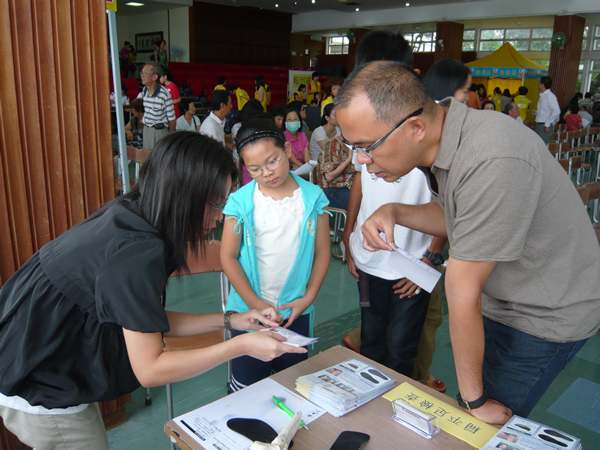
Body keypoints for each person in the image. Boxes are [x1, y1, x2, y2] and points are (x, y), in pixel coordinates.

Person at [0, 132, 306, 448]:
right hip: (36, 382)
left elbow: (146, 320)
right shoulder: (135, 252)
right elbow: (150, 369)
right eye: (217, 203)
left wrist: (231, 320)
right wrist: (241, 346)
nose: (219, 217)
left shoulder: (135, 213)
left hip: (50, 361)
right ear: (185, 195)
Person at [335, 60, 600, 424]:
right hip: (506, 297)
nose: (362, 161)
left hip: (543, 314)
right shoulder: (447, 138)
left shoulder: (490, 156)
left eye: (367, 147)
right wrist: (396, 211)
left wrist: (474, 402)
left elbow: (462, 287)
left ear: (414, 127)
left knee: (483, 426)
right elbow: (460, 217)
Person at [221, 118, 330, 392]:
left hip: (296, 311)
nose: (267, 173)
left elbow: (322, 251)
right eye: (254, 169)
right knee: (247, 387)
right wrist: (255, 304)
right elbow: (228, 258)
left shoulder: (313, 197)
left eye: (272, 161)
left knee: (291, 384)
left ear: (287, 150)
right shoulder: (240, 202)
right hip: (249, 313)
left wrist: (308, 297)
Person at [138, 63, 176, 150]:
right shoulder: (144, 91)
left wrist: (168, 136)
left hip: (159, 131)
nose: (142, 75)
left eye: (145, 73)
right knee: (147, 158)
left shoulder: (164, 94)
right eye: (141, 73)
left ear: (154, 77)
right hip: (147, 129)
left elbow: (172, 119)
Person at [316, 135, 355, 210]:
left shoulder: (354, 145)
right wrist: (348, 160)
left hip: (348, 186)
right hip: (333, 190)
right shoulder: (332, 145)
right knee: (357, 202)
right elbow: (329, 176)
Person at [535, 76, 560, 144]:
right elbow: (545, 110)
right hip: (540, 124)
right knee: (539, 145)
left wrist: (547, 124)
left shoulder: (550, 96)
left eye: (539, 83)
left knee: (544, 146)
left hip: (544, 125)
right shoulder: (542, 96)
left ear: (542, 85)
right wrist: (537, 112)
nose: (538, 84)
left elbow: (556, 111)